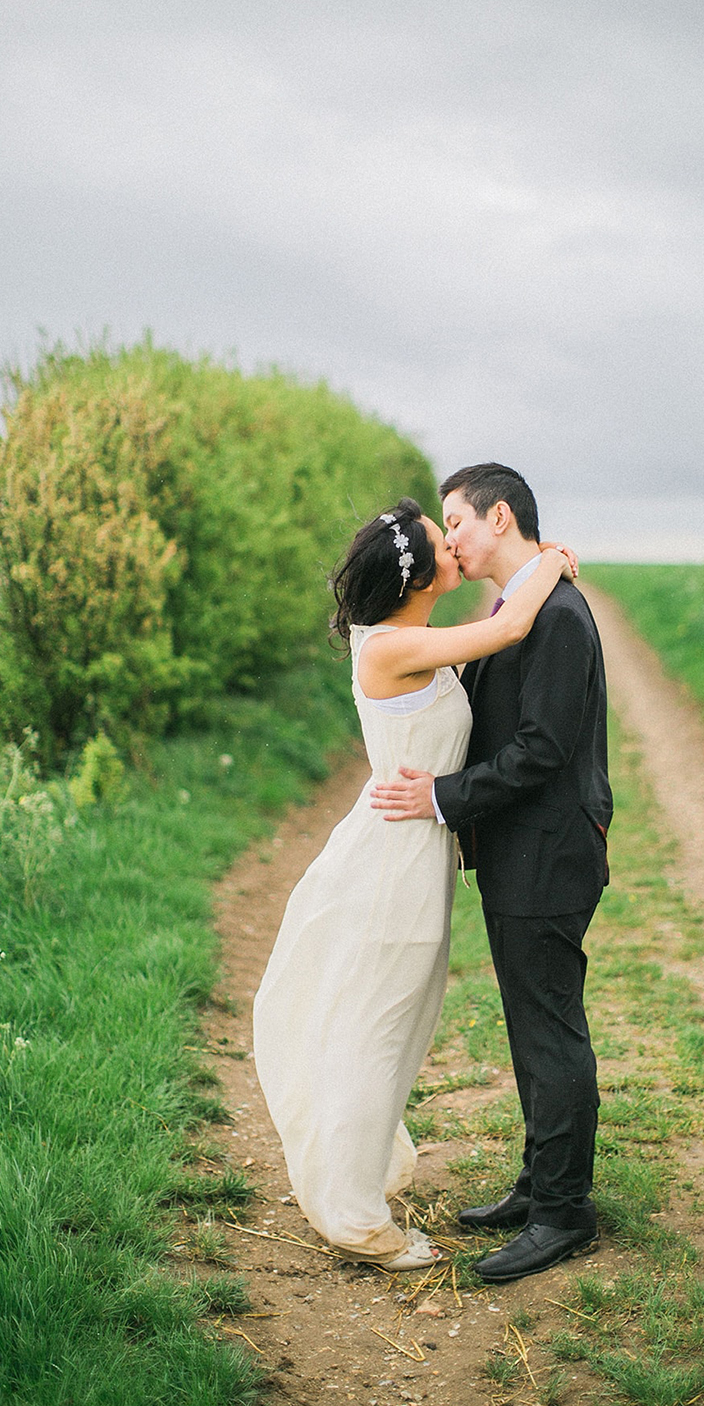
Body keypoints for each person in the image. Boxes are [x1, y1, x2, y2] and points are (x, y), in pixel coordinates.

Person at [252, 498, 574, 1271]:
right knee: (379, 1028)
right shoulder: (391, 648)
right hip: (389, 866)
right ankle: (356, 1218)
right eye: (443, 541)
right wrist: (550, 564)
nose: (456, 545)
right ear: (420, 574)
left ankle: (352, 1173)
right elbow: (505, 630)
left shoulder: (411, 637)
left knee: (395, 1027)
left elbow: (491, 634)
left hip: (413, 857)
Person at [370, 464, 612, 1284]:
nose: (451, 539)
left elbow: (542, 749)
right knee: (530, 1027)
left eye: (456, 521)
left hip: (549, 855)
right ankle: (540, 1183)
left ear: (499, 515)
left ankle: (564, 1212)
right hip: (520, 854)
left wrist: (441, 796)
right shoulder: (521, 608)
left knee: (550, 1031)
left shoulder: (560, 619)